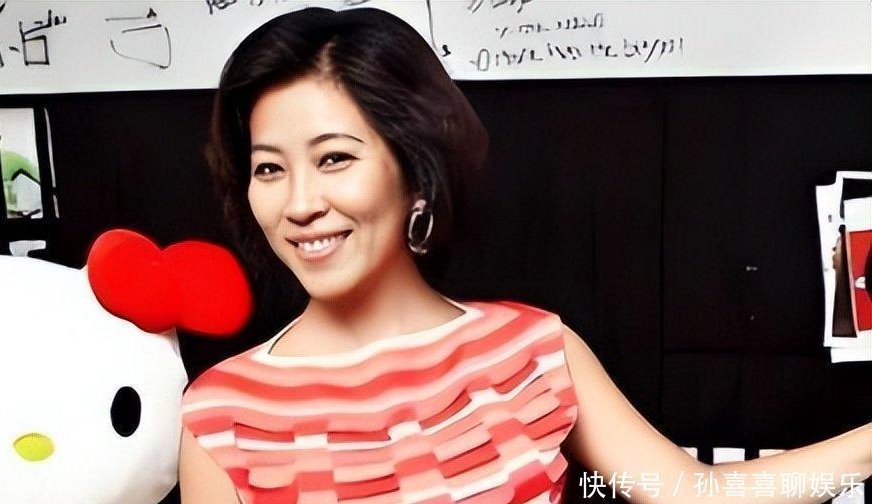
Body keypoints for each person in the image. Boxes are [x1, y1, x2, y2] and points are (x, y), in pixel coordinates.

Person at [179, 7, 871, 503]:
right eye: (269, 169)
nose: (299, 203)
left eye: (334, 158)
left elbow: (691, 494)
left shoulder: (533, 349)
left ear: (417, 172)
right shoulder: (222, 413)